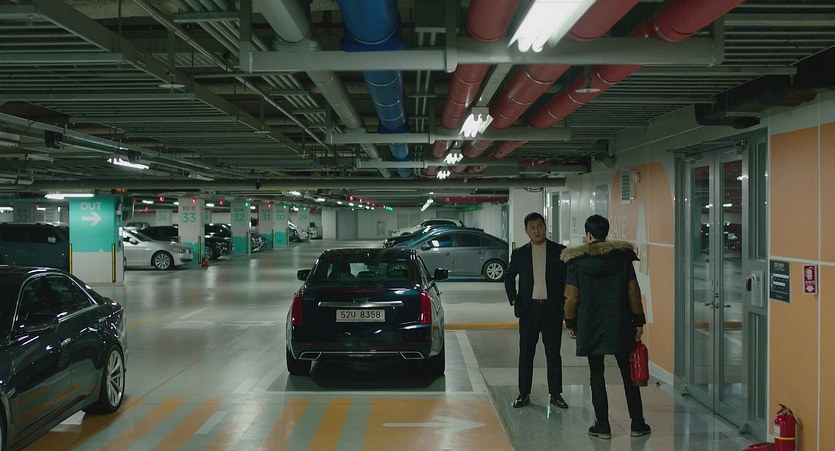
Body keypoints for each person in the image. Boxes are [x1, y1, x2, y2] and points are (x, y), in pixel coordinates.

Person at [562, 214, 651, 439]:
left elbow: (571, 298)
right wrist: (638, 320)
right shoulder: (622, 258)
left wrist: (570, 322)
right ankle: (637, 423)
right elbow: (633, 292)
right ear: (606, 233)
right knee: (628, 374)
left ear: (588, 235)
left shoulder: (576, 262)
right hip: (620, 322)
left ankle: (602, 425)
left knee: (596, 374)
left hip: (590, 324)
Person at [504, 212, 568, 409]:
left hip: (552, 310)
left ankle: (555, 394)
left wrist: (565, 303)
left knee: (553, 353)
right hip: (529, 310)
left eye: (540, 226)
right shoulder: (519, 253)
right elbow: (508, 277)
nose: (537, 230)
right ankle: (524, 394)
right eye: (532, 227)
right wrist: (514, 299)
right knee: (526, 354)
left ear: (545, 227)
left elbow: (568, 279)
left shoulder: (560, 251)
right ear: (526, 230)